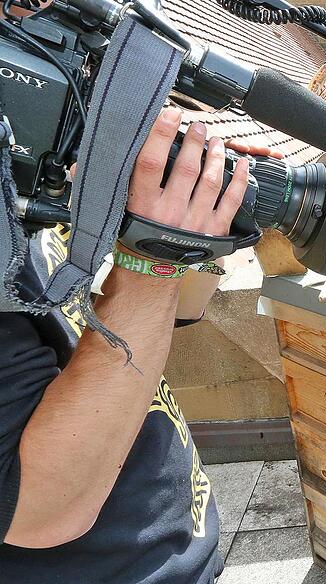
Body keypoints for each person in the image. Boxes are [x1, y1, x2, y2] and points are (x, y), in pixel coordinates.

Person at [0, 100, 280, 581]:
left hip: (183, 552)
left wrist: (209, 228)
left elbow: (173, 312)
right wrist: (156, 258)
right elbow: (35, 509)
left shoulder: (21, 184)